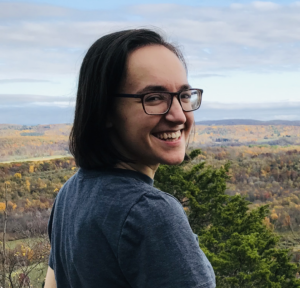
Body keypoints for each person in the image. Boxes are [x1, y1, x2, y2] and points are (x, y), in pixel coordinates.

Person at [45, 28, 216, 288]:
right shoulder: (149, 212)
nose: (179, 115)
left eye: (183, 95)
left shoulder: (71, 193)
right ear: (104, 111)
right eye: (154, 98)